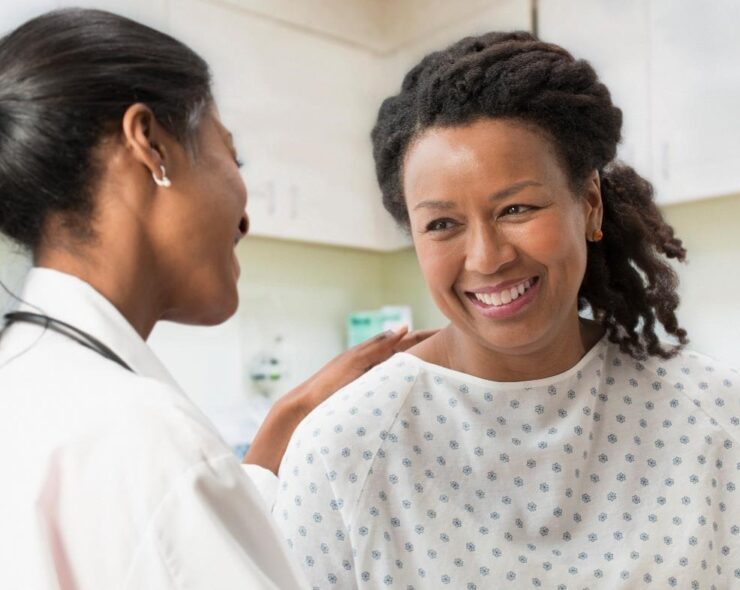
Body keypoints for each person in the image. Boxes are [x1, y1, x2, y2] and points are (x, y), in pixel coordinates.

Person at [273, 31, 740, 589]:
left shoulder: (713, 414)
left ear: (588, 203)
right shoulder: (342, 450)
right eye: (442, 224)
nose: (487, 258)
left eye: (516, 208)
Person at [0, 8, 434, 589]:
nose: (246, 217)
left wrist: (289, 420)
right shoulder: (139, 435)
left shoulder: (37, 390)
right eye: (234, 155)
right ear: (149, 144)